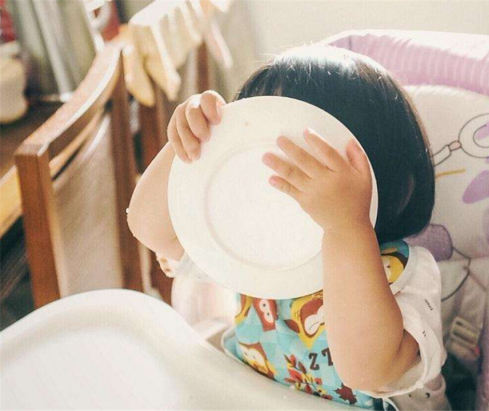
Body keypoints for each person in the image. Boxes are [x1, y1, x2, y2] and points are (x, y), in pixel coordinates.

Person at [128, 44, 449, 410]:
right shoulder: (251, 253)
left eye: (303, 167)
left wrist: (346, 227)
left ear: (392, 182)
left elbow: (368, 371)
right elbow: (150, 228)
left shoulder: (408, 273)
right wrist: (190, 145)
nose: (276, 183)